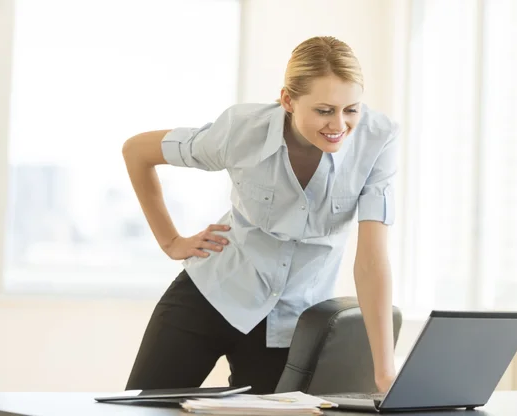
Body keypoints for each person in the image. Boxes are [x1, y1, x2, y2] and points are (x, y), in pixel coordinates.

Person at [122, 35, 399, 395]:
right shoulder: (241, 130)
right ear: (287, 100)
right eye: (324, 110)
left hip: (288, 323)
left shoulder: (378, 140)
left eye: (351, 109)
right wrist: (171, 241)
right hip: (211, 294)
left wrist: (385, 371)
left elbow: (371, 261)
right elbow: (137, 152)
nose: (339, 125)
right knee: (140, 410)